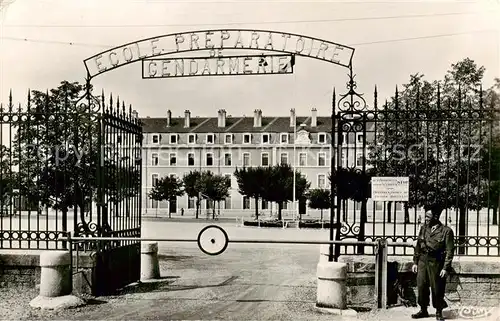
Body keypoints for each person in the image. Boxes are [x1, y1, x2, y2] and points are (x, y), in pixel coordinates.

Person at [411, 205, 455, 321]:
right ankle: (423, 309)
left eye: (428, 217)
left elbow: (450, 252)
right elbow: (418, 245)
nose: (426, 219)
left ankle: (438, 311)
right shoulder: (424, 228)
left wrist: (445, 268)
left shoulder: (446, 231)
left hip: (436, 262)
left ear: (435, 217)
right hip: (422, 261)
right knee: (421, 286)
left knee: (437, 288)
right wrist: (415, 262)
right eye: (425, 216)